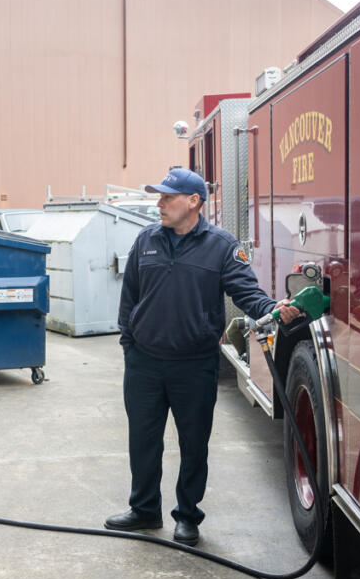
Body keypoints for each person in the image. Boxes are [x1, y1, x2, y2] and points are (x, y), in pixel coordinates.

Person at [106, 168, 298, 546]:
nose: (158, 204)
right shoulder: (146, 239)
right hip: (144, 362)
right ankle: (144, 509)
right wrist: (129, 341)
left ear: (193, 202)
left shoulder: (222, 246)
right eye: (158, 197)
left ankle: (187, 516)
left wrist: (273, 308)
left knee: (194, 443)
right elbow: (130, 296)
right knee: (143, 439)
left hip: (194, 364)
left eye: (166, 198)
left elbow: (246, 292)